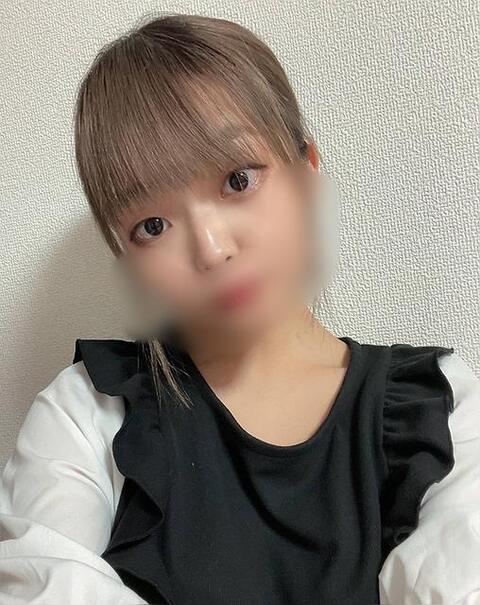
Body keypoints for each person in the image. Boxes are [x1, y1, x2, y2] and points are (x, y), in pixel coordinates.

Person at [1, 12, 479, 605]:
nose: (211, 249)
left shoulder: (441, 408)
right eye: (153, 225)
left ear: (307, 173)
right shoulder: (85, 415)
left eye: (237, 180)